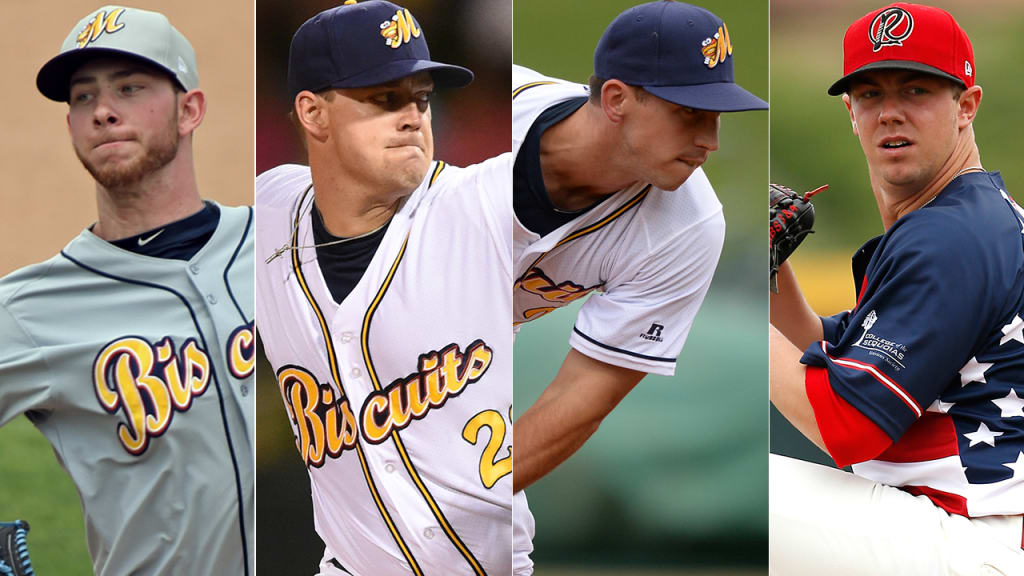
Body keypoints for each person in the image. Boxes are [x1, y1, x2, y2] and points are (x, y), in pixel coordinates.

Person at [254, 1, 513, 574]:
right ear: (313, 114)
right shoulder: (269, 215)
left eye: (421, 98)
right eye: (384, 99)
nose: (413, 117)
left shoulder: (482, 206)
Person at [510, 1, 767, 572]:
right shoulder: (489, 127)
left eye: (718, 113)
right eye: (689, 112)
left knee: (492, 543)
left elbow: (583, 395)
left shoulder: (690, 224)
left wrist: (473, 493)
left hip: (462, 366)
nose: (711, 139)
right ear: (617, 99)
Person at [770, 3, 1024, 574]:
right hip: (964, 528)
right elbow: (823, 355)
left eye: (915, 90)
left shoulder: (951, 236)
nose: (890, 113)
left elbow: (846, 425)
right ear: (850, 113)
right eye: (870, 94)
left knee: (745, 485)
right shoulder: (973, 218)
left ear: (966, 105)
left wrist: (721, 308)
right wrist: (770, 277)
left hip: (971, 537)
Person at [0, 5, 254, 576]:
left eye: (130, 87)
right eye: (83, 97)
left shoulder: (274, 245)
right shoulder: (32, 310)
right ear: (69, 125)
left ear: (190, 110)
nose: (104, 112)